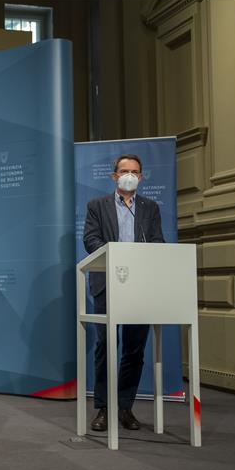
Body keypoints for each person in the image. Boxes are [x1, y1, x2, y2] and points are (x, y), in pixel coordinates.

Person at [83, 154, 164, 432]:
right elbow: (90, 240)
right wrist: (117, 257)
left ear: (141, 177)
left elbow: (157, 242)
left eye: (135, 172)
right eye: (124, 171)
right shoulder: (97, 206)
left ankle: (125, 406)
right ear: (114, 176)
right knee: (105, 346)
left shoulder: (150, 208)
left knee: (134, 349)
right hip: (107, 283)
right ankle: (104, 409)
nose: (129, 175)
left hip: (139, 286)